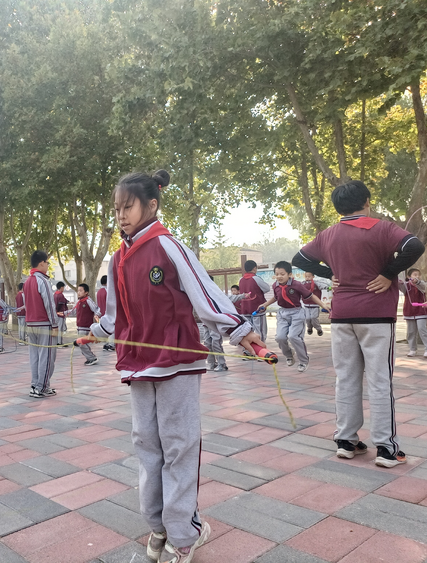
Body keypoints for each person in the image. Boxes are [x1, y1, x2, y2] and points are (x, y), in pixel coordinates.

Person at [87, 169, 261, 563]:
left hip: (177, 362)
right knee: (147, 445)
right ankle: (159, 527)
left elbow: (205, 295)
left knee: (179, 447)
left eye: (127, 206)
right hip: (138, 364)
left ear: (152, 205)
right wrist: (95, 333)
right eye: (116, 209)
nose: (121, 215)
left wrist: (241, 331)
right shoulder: (118, 258)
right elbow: (114, 316)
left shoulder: (167, 246)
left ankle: (183, 535)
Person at [293, 180, 424, 468]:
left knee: (346, 378)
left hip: (341, 315)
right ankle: (387, 449)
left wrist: (330, 272)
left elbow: (299, 258)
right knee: (379, 380)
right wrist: (389, 273)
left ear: (338, 207)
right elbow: (414, 245)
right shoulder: (383, 228)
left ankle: (346, 440)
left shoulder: (328, 234)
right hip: (376, 314)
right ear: (367, 200)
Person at [257, 261, 328, 372]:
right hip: (283, 314)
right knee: (280, 337)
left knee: (293, 337)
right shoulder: (275, 285)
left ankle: (304, 361)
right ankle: (289, 355)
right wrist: (265, 304)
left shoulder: (297, 285)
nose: (279, 276)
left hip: (296, 313)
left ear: (289, 274)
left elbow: (311, 295)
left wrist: (323, 305)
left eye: (282, 274)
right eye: (277, 274)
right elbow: (276, 298)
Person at [24, 250, 58, 398]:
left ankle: (36, 384)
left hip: (30, 324)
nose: (48, 265)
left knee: (35, 356)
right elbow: (49, 304)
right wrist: (55, 324)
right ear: (42, 263)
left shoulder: (27, 281)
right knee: (47, 356)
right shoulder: (43, 280)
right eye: (47, 263)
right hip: (44, 324)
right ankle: (41, 387)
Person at [59, 283, 100, 366]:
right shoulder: (79, 303)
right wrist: (63, 313)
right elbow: (73, 311)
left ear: (86, 292)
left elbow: (97, 309)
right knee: (82, 343)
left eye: (81, 291)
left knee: (81, 343)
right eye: (78, 291)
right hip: (80, 327)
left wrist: (97, 314)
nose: (79, 292)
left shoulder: (88, 301)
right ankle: (90, 358)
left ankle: (92, 358)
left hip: (86, 327)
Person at [399, 268, 427, 358]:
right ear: (409, 276)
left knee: (422, 329)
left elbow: (423, 286)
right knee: (411, 331)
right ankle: (412, 349)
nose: (417, 276)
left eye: (418, 274)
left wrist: (417, 281)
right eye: (414, 274)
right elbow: (400, 285)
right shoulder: (406, 286)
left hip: (421, 310)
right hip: (409, 311)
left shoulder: (422, 284)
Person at [238, 260, 270, 343]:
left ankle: (250, 350)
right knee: (260, 331)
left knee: (248, 331)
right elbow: (267, 288)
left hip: (245, 309)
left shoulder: (241, 279)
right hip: (257, 308)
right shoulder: (256, 278)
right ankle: (261, 348)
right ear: (255, 268)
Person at [302, 271, 330, 336]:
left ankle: (318, 329)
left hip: (315, 305)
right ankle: (309, 328)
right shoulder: (302, 284)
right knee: (308, 318)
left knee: (314, 318)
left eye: (309, 276)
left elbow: (325, 287)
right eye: (306, 276)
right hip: (306, 305)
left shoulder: (316, 283)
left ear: (313, 277)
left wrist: (330, 288)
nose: (307, 278)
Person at [97, 276, 115, 352]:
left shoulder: (99, 292)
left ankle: (106, 344)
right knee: (112, 329)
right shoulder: (107, 291)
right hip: (108, 313)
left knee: (105, 329)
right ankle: (111, 344)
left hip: (102, 313)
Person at [54, 281, 69, 346]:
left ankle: (57, 341)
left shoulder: (54, 294)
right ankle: (60, 342)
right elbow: (63, 303)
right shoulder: (60, 295)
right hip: (60, 314)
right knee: (60, 329)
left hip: (55, 314)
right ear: (61, 287)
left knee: (57, 328)